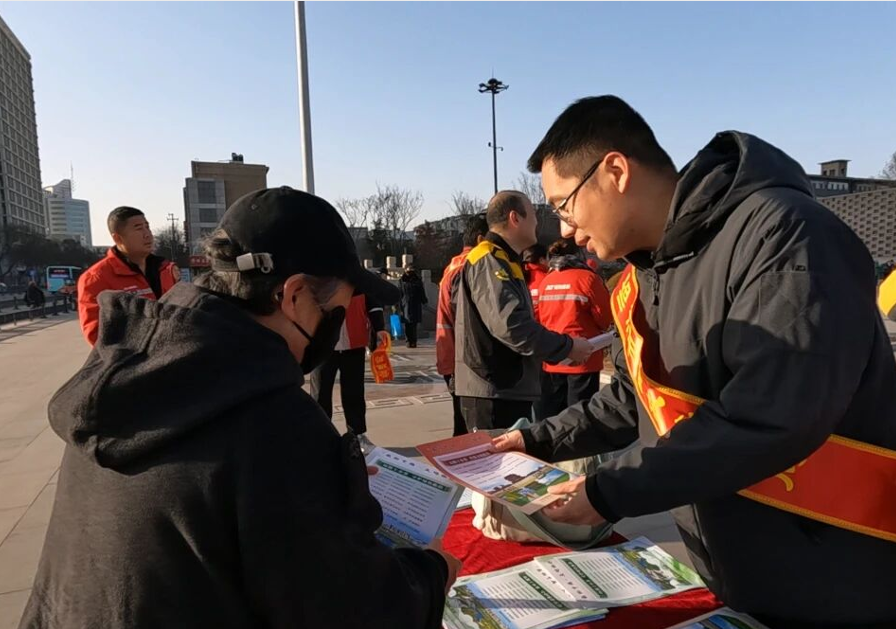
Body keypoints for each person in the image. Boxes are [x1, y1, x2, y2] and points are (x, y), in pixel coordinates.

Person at [492, 96, 896, 627]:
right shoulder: (642, 278)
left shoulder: (786, 236)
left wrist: (609, 491)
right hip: (740, 576)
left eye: (564, 205)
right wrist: (535, 441)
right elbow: (631, 398)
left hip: (837, 575)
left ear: (615, 171)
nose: (564, 229)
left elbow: (771, 414)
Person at [20, 187, 460, 629]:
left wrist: (322, 487)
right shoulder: (272, 419)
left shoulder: (129, 379)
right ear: (294, 296)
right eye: (337, 312)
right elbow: (356, 610)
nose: (335, 327)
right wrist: (432, 572)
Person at [453, 190, 594, 431]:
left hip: (505, 386)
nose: (537, 222)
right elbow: (512, 326)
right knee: (496, 456)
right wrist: (567, 347)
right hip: (494, 390)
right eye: (533, 214)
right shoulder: (489, 259)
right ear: (515, 218)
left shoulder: (507, 261)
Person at [533, 238, 612, 420]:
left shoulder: (546, 280)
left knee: (550, 419)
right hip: (584, 359)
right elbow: (605, 318)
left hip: (552, 357)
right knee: (580, 418)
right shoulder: (588, 279)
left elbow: (538, 316)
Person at [77, 206, 179, 346]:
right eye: (138, 229)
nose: (147, 234)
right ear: (118, 238)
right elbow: (96, 334)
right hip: (134, 357)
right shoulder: (96, 278)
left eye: (147, 227)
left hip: (173, 351)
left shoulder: (165, 269)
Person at [310, 287, 388, 452]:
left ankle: (357, 435)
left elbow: (373, 303)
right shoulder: (318, 281)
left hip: (354, 343)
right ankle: (320, 436)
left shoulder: (359, 281)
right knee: (320, 394)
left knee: (354, 393)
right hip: (323, 345)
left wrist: (379, 327)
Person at [436, 214, 489, 436]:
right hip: (467, 359)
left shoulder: (454, 265)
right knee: (471, 431)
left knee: (463, 424)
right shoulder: (472, 266)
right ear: (481, 240)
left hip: (453, 354)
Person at [399, 264, 427, 348]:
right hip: (405, 304)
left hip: (415, 304)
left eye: (412, 270)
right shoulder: (402, 280)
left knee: (414, 324)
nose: (410, 272)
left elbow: (421, 291)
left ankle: (413, 341)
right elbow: (399, 293)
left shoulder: (417, 280)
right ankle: (408, 341)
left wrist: (424, 300)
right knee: (407, 323)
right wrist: (398, 305)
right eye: (408, 270)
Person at [522, 243, 549, 317]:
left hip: (523, 319)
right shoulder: (547, 279)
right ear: (541, 260)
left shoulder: (519, 275)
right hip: (540, 320)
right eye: (548, 258)